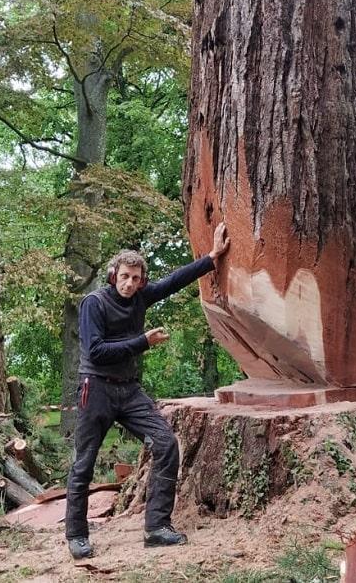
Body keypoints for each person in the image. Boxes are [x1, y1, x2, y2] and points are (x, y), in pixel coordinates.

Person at [65, 222, 230, 559]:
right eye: (125, 276)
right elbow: (95, 351)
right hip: (95, 389)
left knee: (167, 444)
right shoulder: (93, 304)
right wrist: (143, 342)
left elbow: (173, 281)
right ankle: (77, 535)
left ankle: (157, 528)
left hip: (129, 391)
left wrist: (212, 257)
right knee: (84, 462)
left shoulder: (140, 297)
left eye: (137, 278)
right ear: (114, 274)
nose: (131, 283)